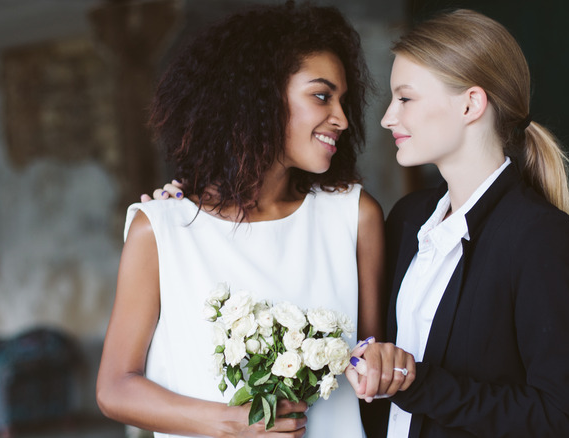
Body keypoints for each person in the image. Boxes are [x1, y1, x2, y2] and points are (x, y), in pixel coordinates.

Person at [95, 3, 388, 437]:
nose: (342, 119)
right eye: (322, 95)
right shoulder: (160, 230)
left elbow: (371, 366)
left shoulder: (355, 216)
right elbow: (115, 388)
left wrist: (382, 367)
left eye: (344, 100)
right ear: (261, 94)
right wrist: (233, 424)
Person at [348, 9, 569, 438]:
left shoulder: (539, 237)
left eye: (405, 98)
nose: (389, 117)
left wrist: (418, 382)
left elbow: (564, 420)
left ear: (471, 103)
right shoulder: (407, 218)